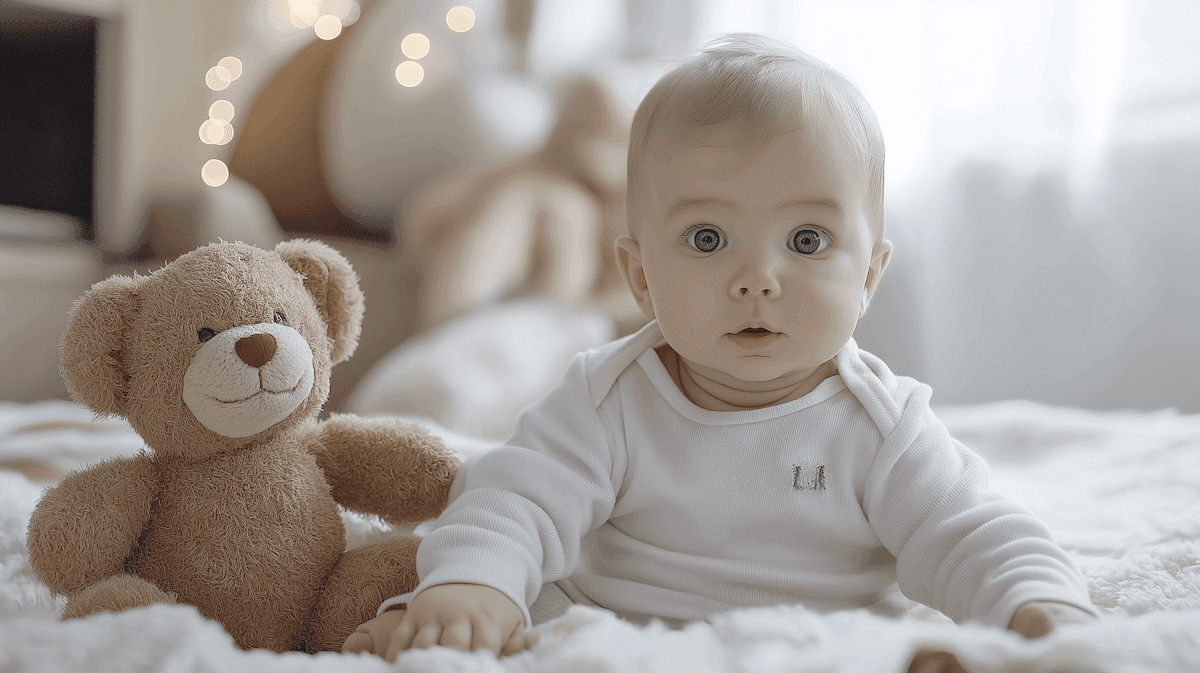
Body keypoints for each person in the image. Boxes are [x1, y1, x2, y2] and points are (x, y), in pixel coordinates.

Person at [343, 34, 1098, 663]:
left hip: (818, 646)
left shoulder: (881, 424)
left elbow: (970, 528)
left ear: (869, 275)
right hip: (612, 636)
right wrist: (473, 586)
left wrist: (1038, 603)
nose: (758, 280)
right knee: (491, 609)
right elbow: (514, 499)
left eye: (807, 240)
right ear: (639, 276)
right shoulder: (608, 398)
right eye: (708, 239)